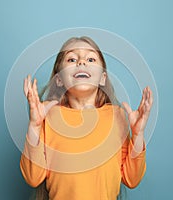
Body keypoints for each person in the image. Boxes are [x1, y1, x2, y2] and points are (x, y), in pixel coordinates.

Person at [20, 36, 153, 200]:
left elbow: (132, 179)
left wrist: (138, 135)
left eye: (91, 58)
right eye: (71, 59)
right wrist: (34, 125)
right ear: (59, 79)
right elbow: (33, 178)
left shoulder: (117, 116)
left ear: (102, 78)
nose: (81, 62)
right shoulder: (48, 117)